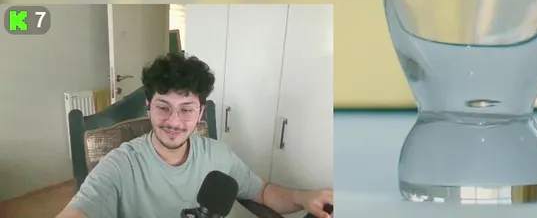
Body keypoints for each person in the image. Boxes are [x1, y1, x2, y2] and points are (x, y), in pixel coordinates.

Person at [57, 53, 333, 218]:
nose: (174, 121)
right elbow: (80, 210)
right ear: (148, 106)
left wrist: (303, 197)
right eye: (163, 107)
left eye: (186, 109)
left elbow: (262, 192)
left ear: (200, 112)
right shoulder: (120, 165)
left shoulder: (218, 156)